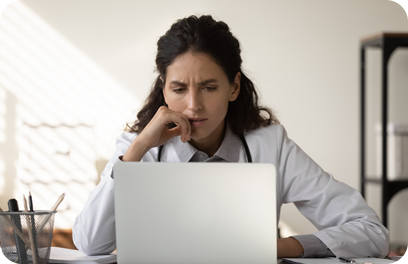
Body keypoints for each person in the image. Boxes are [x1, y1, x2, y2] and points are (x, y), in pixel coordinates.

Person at [72, 15, 389, 258]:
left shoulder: (270, 145)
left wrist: (271, 248)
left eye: (209, 88)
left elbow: (372, 232)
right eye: (179, 89)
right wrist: (138, 147)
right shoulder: (136, 152)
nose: (194, 105)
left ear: (233, 87)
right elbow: (90, 244)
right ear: (163, 89)